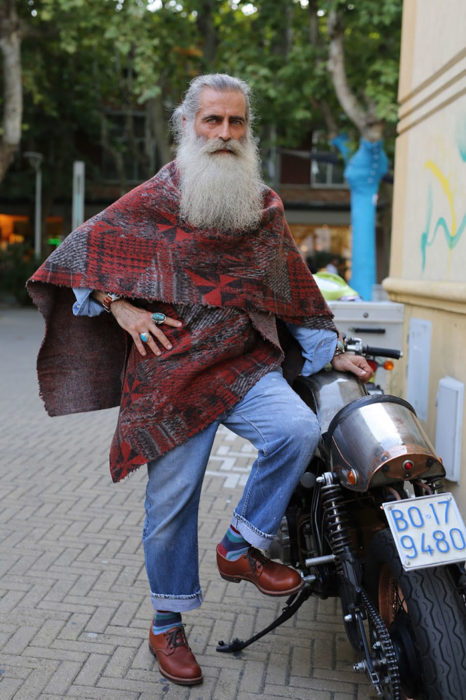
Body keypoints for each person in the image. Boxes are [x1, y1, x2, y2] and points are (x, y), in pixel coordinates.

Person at [28, 73, 372, 687]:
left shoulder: (262, 205)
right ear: (187, 125)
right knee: (170, 507)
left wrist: (333, 350)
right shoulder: (152, 199)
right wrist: (123, 309)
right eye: (212, 121)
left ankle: (240, 546)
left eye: (236, 122)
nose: (225, 134)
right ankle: (168, 624)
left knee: (297, 427)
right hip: (170, 372)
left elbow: (294, 284)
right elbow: (79, 256)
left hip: (242, 364)